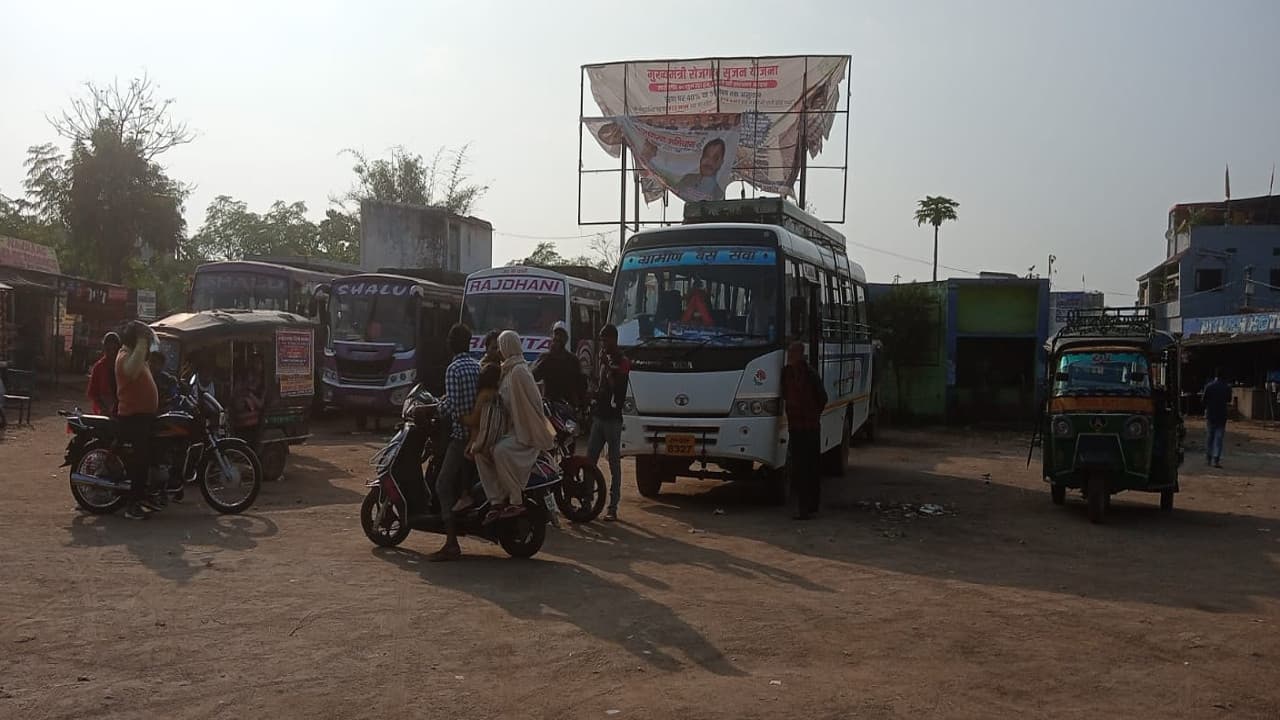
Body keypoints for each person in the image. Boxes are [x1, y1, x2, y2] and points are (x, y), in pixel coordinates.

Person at [472, 331, 555, 524]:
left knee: (500, 451)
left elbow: (531, 405)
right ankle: (496, 501)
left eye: (501, 346)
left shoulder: (519, 371)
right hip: (510, 430)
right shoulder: (507, 370)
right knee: (480, 451)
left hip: (526, 433)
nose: (500, 350)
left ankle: (516, 499)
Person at [428, 323, 482, 562]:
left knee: (441, 484)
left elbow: (450, 406)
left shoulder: (453, 369)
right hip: (478, 435)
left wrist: (432, 408)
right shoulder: (476, 365)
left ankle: (451, 542)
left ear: (451, 343)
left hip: (461, 437)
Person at [116, 321, 160, 520]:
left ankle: (146, 495)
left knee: (152, 454)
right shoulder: (125, 357)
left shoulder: (136, 356)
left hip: (144, 416)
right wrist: (142, 342)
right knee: (140, 460)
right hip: (133, 417)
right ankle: (132, 505)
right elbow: (132, 372)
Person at [587, 324, 630, 521]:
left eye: (606, 340)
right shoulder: (605, 360)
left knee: (614, 464)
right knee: (589, 462)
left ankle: (613, 506)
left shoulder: (622, 361)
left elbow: (618, 390)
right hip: (599, 417)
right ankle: (587, 501)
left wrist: (607, 368)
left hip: (613, 420)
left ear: (614, 339)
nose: (603, 344)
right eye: (602, 340)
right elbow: (601, 386)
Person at [781, 341, 827, 520]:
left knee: (811, 468)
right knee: (799, 468)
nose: (790, 356)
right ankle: (804, 508)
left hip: (811, 428)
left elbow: (822, 398)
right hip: (796, 428)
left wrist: (813, 415)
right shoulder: (786, 374)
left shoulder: (811, 374)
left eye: (793, 353)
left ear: (801, 354)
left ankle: (811, 506)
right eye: (789, 353)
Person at [532, 321, 586, 408]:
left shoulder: (573, 360)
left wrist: (580, 405)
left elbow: (580, 385)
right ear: (552, 337)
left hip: (568, 407)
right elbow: (535, 376)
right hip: (550, 407)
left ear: (566, 339)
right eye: (556, 334)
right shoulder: (546, 358)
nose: (558, 337)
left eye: (561, 335)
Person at [86, 332, 121, 416]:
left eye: (114, 350)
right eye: (109, 349)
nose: (112, 353)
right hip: (104, 409)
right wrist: (102, 408)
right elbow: (92, 393)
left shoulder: (123, 365)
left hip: (121, 408)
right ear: (104, 349)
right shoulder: (99, 367)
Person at [1202, 369, 1231, 469]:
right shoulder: (1226, 387)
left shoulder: (1209, 386)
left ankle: (1208, 458)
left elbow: (1203, 400)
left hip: (1210, 414)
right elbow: (1229, 400)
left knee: (1210, 437)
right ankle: (1216, 459)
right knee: (1218, 438)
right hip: (1222, 415)